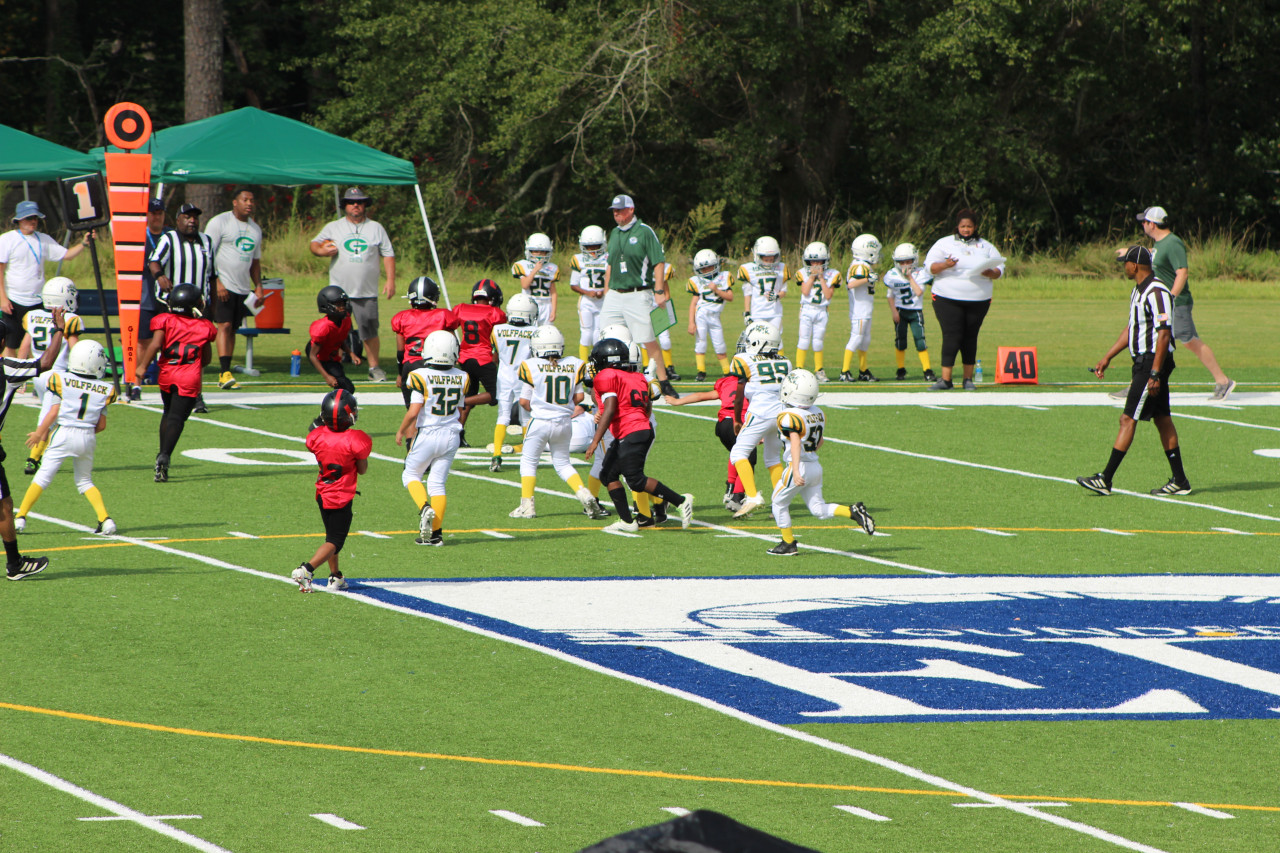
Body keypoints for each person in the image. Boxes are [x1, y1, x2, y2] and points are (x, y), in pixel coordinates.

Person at [1078, 246, 1191, 497]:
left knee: (1127, 418)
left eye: (1124, 263)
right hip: (1144, 360)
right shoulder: (1138, 291)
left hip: (1152, 361)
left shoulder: (1157, 291)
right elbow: (1132, 329)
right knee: (1162, 418)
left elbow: (1163, 334)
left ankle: (1105, 479)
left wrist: (1154, 373)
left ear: (1135, 265)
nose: (1123, 267)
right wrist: (1107, 356)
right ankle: (1180, 480)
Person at [584, 337, 693, 533]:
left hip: (632, 431)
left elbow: (609, 408)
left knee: (635, 479)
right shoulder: (637, 376)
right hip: (639, 428)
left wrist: (595, 441)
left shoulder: (607, 375)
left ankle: (681, 500)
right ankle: (627, 522)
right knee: (608, 474)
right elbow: (647, 405)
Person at [766, 369, 876, 555]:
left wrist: (797, 470)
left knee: (778, 503)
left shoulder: (788, 416)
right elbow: (820, 441)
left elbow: (795, 443)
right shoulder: (818, 413)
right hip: (815, 466)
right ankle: (852, 511)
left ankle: (788, 543)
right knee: (818, 509)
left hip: (798, 467)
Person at [14, 341, 117, 535]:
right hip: (87, 436)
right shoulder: (106, 389)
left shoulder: (61, 380)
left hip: (64, 433)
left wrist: (39, 432)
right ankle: (105, 519)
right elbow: (101, 425)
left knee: (43, 477)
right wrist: (85, 431)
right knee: (85, 481)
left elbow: (53, 412)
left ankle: (20, 517)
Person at [1132, 206, 1234, 401]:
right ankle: (1138, 384)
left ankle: (1223, 381)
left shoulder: (1172, 243)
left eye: (1144, 222)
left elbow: (1182, 272)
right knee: (1151, 341)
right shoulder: (1160, 244)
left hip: (1176, 303)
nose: (1143, 225)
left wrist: (1170, 297)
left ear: (1152, 224)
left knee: (1189, 340)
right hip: (1163, 303)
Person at [509, 325, 606, 519]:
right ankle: (583, 492)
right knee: (562, 463)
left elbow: (523, 402)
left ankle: (527, 505)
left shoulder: (530, 365)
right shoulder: (575, 364)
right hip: (564, 422)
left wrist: (541, 406)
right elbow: (579, 397)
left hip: (540, 421)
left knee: (528, 461)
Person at [396, 330, 482, 546]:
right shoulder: (462, 376)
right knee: (438, 484)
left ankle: (424, 507)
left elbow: (414, 410)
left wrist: (401, 429)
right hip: (451, 434)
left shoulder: (420, 375)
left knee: (410, 475)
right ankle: (436, 535)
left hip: (428, 433)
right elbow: (461, 408)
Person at [0, 309, 65, 580]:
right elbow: (46, 362)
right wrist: (59, 329)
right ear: (2, 343)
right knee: (3, 506)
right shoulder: (7, 368)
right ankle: (15, 564)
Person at [664, 329, 758, 511]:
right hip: (739, 423)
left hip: (723, 425)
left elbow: (701, 395)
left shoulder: (725, 381)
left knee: (736, 453)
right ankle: (737, 497)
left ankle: (730, 487)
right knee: (748, 457)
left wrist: (678, 401)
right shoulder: (754, 383)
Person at [310, 187, 396, 382]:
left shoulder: (376, 228)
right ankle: (332, 365)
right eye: (351, 202)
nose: (355, 205)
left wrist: (390, 281)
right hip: (338, 292)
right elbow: (314, 244)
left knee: (369, 330)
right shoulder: (334, 227)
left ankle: (374, 368)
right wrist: (322, 251)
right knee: (334, 331)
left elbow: (388, 254)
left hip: (366, 290)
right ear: (345, 205)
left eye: (359, 202)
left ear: (365, 205)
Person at [293, 390, 371, 592]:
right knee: (336, 541)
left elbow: (318, 435)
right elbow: (362, 470)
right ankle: (307, 570)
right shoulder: (356, 439)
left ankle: (335, 576)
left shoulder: (316, 436)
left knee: (330, 537)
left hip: (322, 491)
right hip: (340, 495)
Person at [599, 195, 677, 398]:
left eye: (620, 209)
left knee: (647, 339)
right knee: (607, 335)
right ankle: (608, 381)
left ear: (631, 210)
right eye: (614, 210)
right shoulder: (614, 233)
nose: (616, 213)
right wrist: (607, 291)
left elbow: (658, 262)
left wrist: (659, 291)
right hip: (615, 294)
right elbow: (610, 265)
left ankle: (663, 381)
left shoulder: (644, 231)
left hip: (638, 293)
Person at [137, 284, 216, 483]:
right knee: (177, 419)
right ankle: (164, 456)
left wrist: (142, 367)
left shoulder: (165, 320)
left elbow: (155, 345)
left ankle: (161, 454)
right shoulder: (204, 327)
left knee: (168, 412)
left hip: (167, 373)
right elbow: (206, 359)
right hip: (188, 377)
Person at [0, 200, 92, 358]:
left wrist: (84, 243)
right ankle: (12, 378)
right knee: (11, 342)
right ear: (19, 220)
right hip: (14, 300)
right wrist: (2, 298)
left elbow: (67, 255)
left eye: (35, 218)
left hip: (37, 300)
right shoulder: (7, 239)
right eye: (29, 218)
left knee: (32, 340)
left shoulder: (43, 239)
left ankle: (29, 375)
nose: (33, 222)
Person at [924, 209, 1004, 390]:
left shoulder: (986, 246)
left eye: (969, 226)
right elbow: (930, 267)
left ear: (975, 227)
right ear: (957, 226)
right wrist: (946, 264)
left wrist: (991, 272)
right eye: (963, 226)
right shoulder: (944, 243)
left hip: (979, 299)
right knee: (952, 335)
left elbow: (1000, 268)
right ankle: (946, 380)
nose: (966, 229)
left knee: (970, 337)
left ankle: (968, 379)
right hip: (947, 297)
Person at [149, 202, 217, 412]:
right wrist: (160, 276)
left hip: (197, 306)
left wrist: (211, 304)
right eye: (187, 217)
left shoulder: (206, 241)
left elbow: (211, 275)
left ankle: (196, 394)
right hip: (173, 305)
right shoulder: (169, 239)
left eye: (195, 217)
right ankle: (169, 391)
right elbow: (154, 261)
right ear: (177, 220)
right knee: (171, 350)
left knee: (196, 351)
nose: (191, 221)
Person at [728, 322, 792, 518]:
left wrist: (737, 419)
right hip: (780, 414)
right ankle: (780, 504)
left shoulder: (743, 360)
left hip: (760, 412)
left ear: (759, 343)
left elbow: (738, 396)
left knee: (738, 453)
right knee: (772, 458)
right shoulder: (786, 362)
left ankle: (752, 495)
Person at [204, 187, 265, 390]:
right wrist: (217, 282)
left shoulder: (255, 230)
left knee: (232, 330)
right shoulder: (220, 223)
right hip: (223, 285)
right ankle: (223, 372)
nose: (249, 203)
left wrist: (258, 287)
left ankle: (227, 371)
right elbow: (207, 254)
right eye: (245, 199)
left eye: (252, 200)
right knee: (224, 325)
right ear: (235, 202)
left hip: (241, 288)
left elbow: (255, 263)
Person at [20, 277, 82, 475]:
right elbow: (75, 350)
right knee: (49, 417)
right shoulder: (70, 319)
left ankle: (43, 453)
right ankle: (33, 459)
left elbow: (24, 346)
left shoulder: (33, 315)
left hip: (37, 373)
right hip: (57, 375)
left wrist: (22, 375)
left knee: (53, 416)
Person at [452, 279, 507, 447]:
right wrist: (496, 356)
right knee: (495, 395)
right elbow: (500, 338)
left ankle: (457, 434)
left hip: (465, 358)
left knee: (471, 393)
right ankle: (461, 402)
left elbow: (449, 326)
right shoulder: (495, 313)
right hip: (484, 359)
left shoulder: (461, 309)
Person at [391, 275, 460, 407]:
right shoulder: (443, 315)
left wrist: (400, 374)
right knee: (434, 410)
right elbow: (453, 345)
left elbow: (400, 352)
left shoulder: (402, 318)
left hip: (410, 366)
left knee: (412, 411)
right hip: (435, 366)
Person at [489, 293, 538, 472]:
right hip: (524, 377)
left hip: (504, 376)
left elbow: (494, 356)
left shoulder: (497, 329)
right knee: (526, 417)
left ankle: (496, 455)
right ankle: (528, 456)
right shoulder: (534, 332)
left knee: (503, 416)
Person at [883, 243, 937, 382]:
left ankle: (927, 370)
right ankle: (900, 369)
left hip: (915, 311)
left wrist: (909, 278)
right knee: (900, 341)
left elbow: (918, 292)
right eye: (902, 262)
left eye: (908, 261)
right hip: (900, 311)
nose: (905, 264)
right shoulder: (892, 275)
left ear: (915, 260)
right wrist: (894, 311)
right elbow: (890, 295)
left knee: (920, 341)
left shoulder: (921, 273)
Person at [793, 242, 840, 382]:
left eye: (818, 261)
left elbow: (828, 295)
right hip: (807, 309)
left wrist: (820, 278)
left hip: (822, 310)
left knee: (818, 341)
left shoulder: (832, 274)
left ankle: (819, 370)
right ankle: (799, 369)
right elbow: (805, 291)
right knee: (803, 340)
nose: (815, 264)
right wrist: (813, 277)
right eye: (812, 261)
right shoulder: (802, 272)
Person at [137, 199, 172, 385]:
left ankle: (165, 376)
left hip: (167, 297)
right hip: (146, 295)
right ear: (147, 215)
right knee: (143, 340)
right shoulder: (139, 236)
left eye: (160, 213)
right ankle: (137, 380)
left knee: (167, 339)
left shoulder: (171, 235)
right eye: (153, 213)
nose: (156, 216)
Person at [685, 249, 734, 381]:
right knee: (700, 343)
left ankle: (726, 371)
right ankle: (701, 372)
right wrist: (691, 322)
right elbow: (693, 304)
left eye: (709, 267)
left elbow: (730, 297)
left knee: (720, 344)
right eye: (704, 268)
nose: (707, 270)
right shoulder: (697, 281)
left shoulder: (724, 277)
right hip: (701, 315)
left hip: (715, 316)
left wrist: (716, 290)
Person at [840, 234, 881, 382]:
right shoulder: (860, 265)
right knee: (856, 339)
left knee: (865, 341)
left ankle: (863, 370)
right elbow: (851, 284)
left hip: (865, 310)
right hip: (860, 311)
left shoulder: (863, 264)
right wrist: (867, 279)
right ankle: (844, 371)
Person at [308, 285, 360, 395]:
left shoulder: (345, 320)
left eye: (343, 304)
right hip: (319, 356)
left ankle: (340, 406)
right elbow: (312, 355)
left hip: (330, 354)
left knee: (345, 386)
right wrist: (327, 376)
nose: (342, 307)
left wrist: (351, 354)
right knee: (346, 387)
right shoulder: (323, 327)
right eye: (338, 304)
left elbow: (339, 339)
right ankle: (338, 408)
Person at [569, 225, 609, 360]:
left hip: (602, 301)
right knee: (586, 333)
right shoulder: (578, 259)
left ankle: (596, 360)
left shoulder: (608, 258)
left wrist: (604, 291)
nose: (592, 250)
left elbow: (612, 279)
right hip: (586, 302)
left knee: (598, 333)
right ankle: (584, 363)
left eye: (596, 246)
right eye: (589, 246)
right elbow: (573, 284)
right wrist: (587, 292)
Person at [738, 236, 788, 341]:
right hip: (757, 312)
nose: (769, 262)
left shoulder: (781, 268)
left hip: (775, 312)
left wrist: (777, 296)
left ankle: (779, 358)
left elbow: (784, 291)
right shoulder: (749, 269)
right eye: (766, 259)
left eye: (771, 259)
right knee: (757, 341)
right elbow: (747, 293)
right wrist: (747, 312)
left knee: (776, 340)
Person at [512, 232, 559, 325]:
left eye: (542, 251)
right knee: (530, 333)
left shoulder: (552, 268)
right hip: (529, 303)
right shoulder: (523, 265)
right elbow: (525, 285)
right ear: (529, 251)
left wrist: (553, 311)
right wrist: (534, 270)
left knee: (546, 335)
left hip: (546, 305)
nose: (539, 254)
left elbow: (553, 292)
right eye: (536, 251)